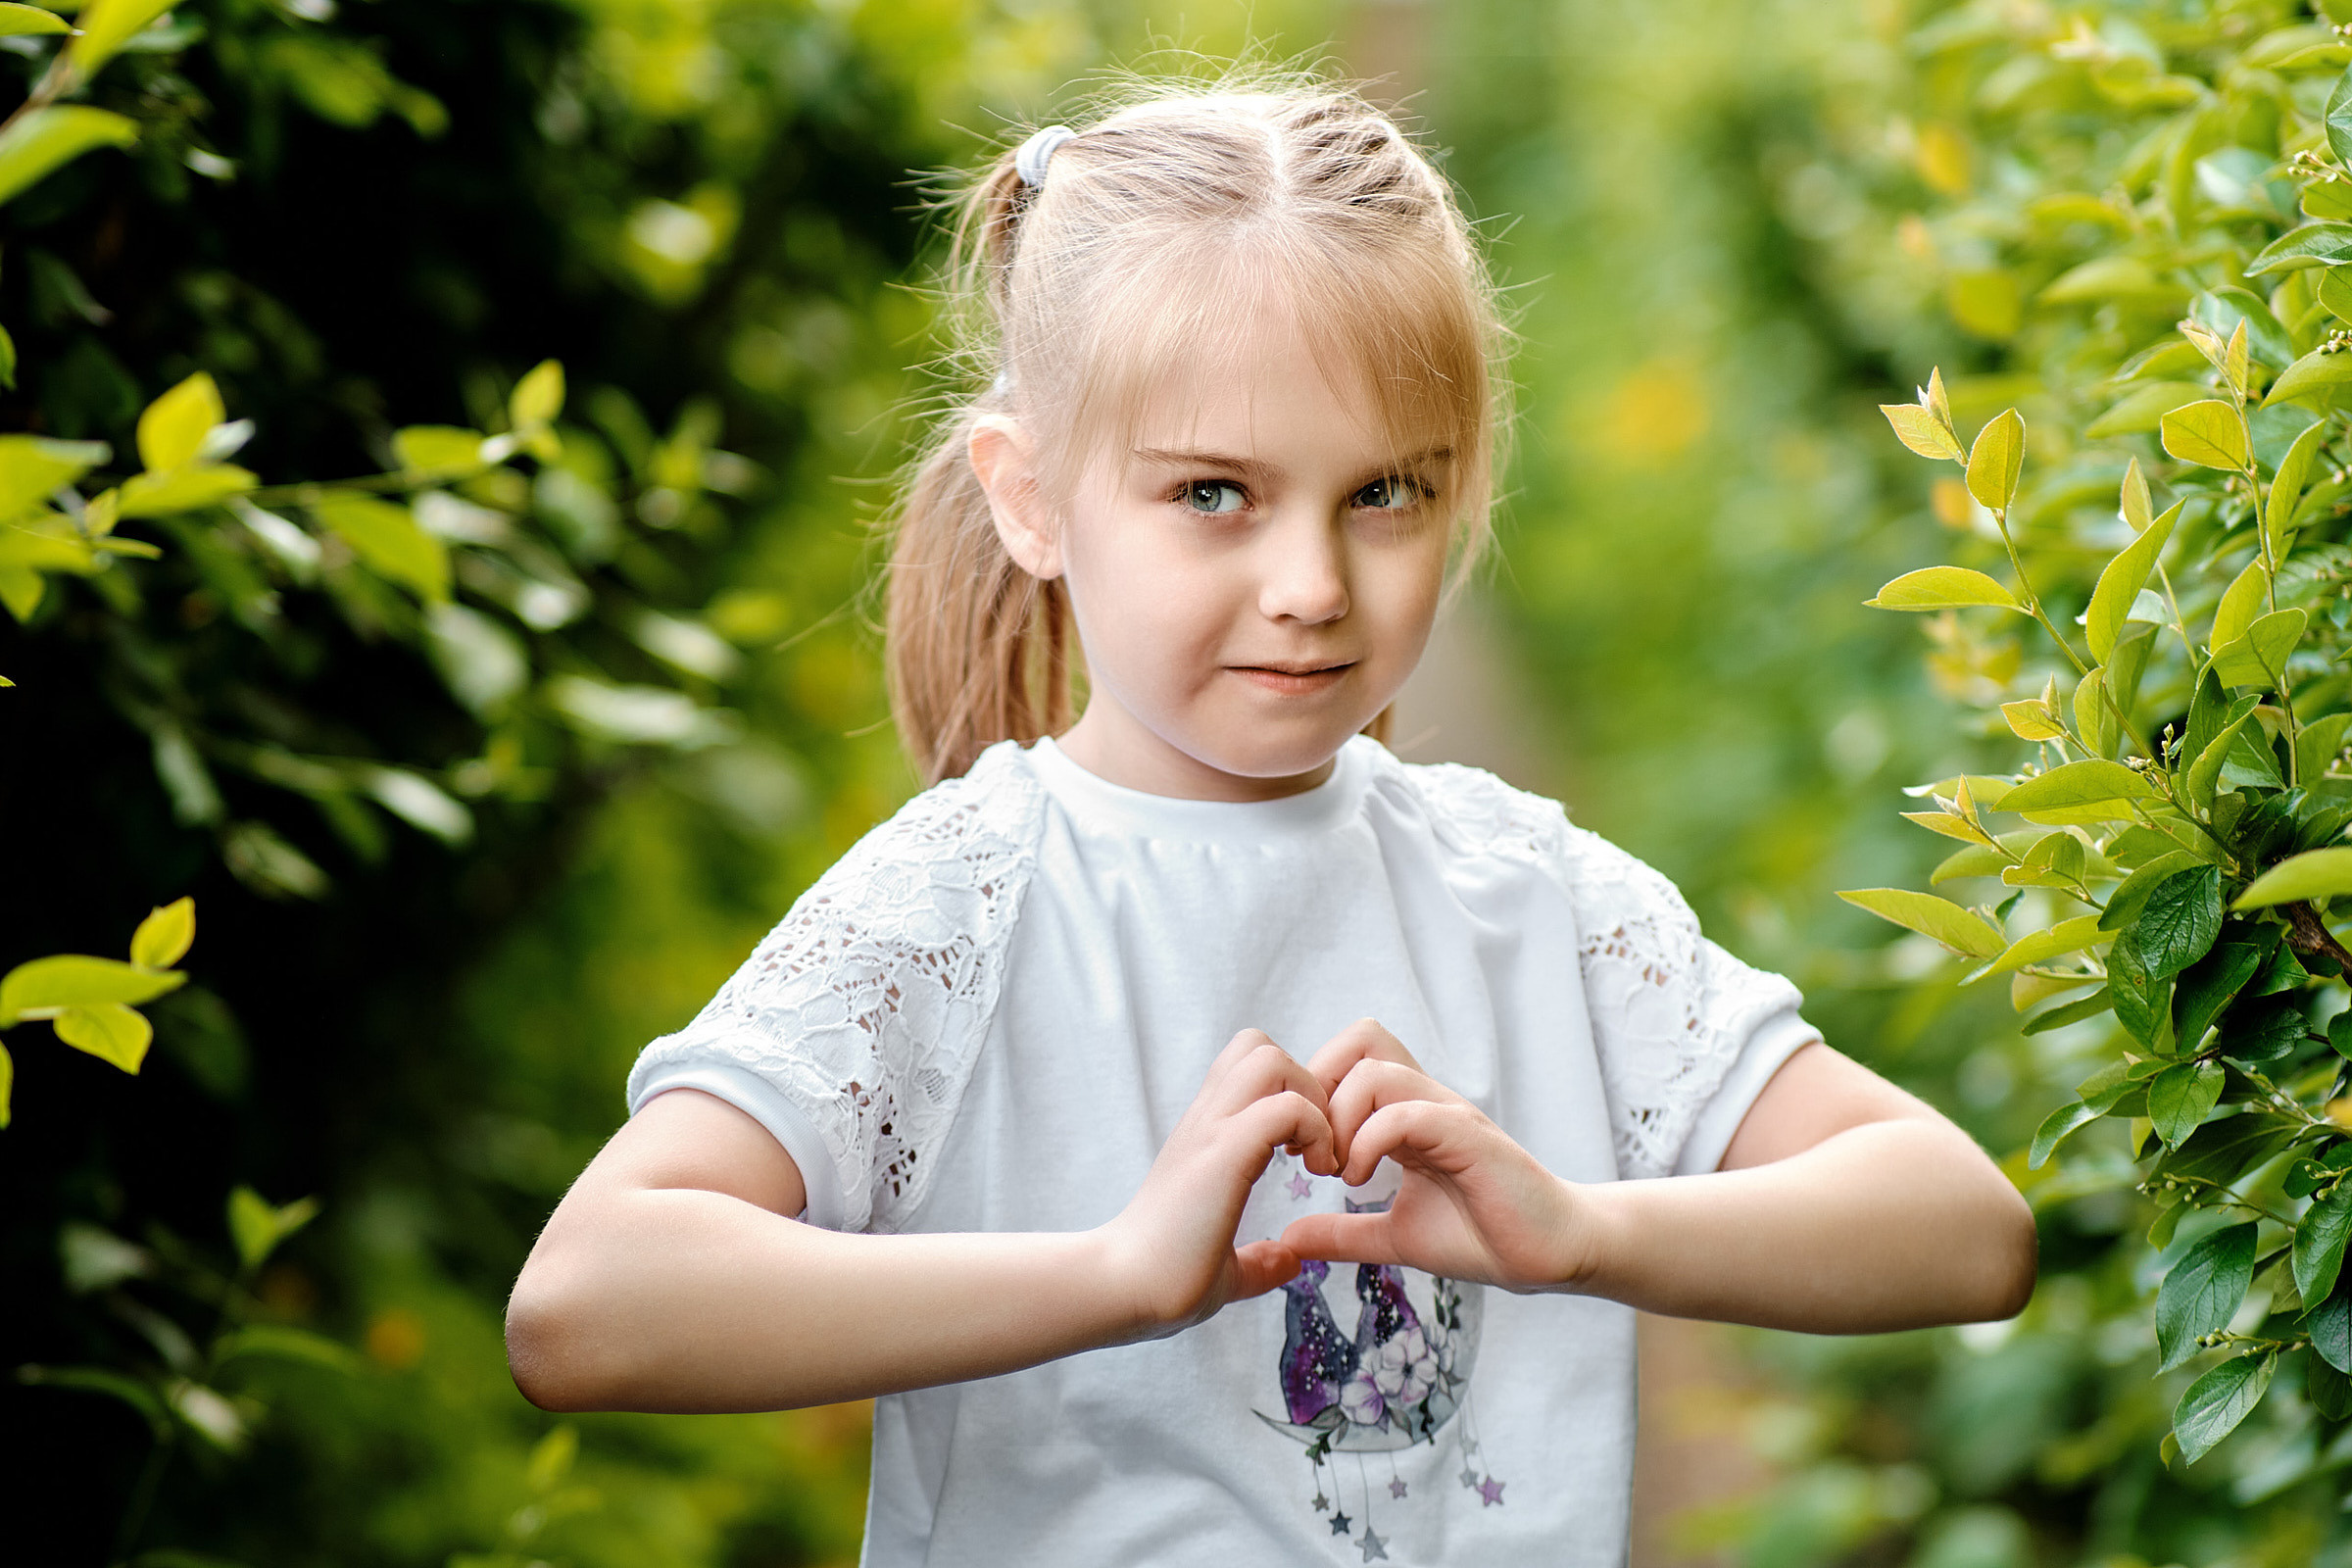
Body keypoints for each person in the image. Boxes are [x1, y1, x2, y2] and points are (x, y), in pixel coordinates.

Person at [505, 75, 2036, 1567]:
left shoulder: (1535, 896)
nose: (1311, 584)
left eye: (1384, 493)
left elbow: (1963, 1230)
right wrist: (1113, 1274)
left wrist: (1578, 1231)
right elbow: (586, 1308)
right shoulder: (954, 908)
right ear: (1031, 497)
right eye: (1215, 495)